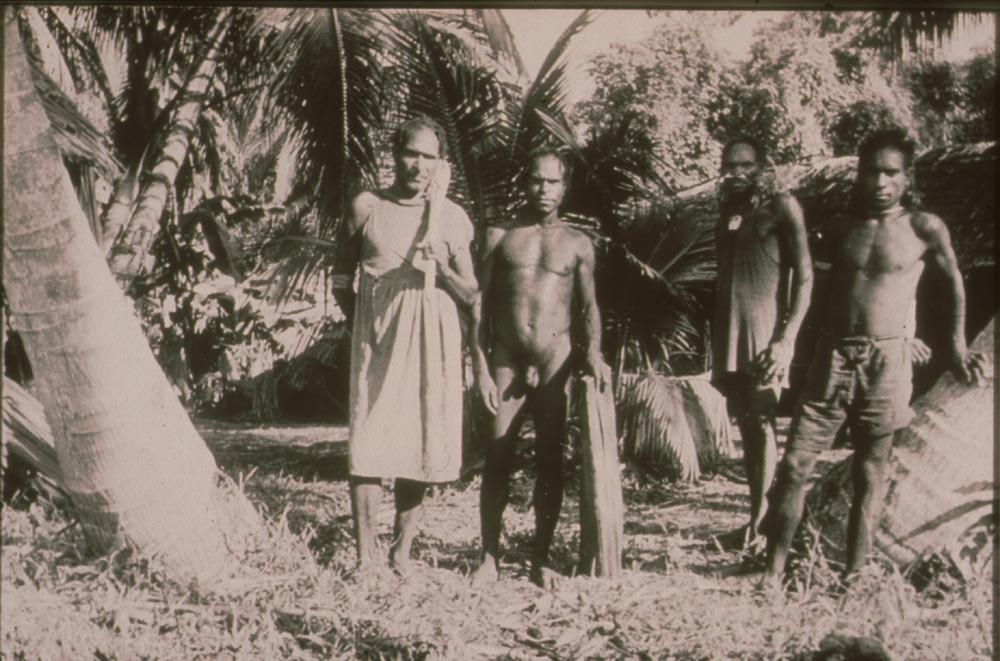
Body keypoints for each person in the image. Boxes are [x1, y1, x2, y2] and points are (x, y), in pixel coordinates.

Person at [762, 128, 987, 584]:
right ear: (859, 174)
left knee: (870, 471)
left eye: (891, 173)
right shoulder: (841, 228)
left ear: (907, 178)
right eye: (872, 171)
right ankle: (773, 570)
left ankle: (854, 573)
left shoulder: (924, 227)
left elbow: (954, 283)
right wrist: (787, 342)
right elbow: (806, 284)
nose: (880, 182)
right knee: (793, 465)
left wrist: (958, 345)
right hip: (832, 358)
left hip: (886, 364)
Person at [332, 116, 480, 575]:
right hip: (378, 339)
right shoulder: (367, 206)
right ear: (395, 154)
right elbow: (340, 276)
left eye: (428, 157)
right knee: (369, 442)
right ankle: (365, 556)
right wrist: (364, 319)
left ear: (441, 164)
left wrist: (444, 267)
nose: (418, 165)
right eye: (410, 153)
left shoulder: (451, 217)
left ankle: (401, 553)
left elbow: (472, 294)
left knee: (420, 440)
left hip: (433, 338)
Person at [470, 148, 611, 588]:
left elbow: (589, 308)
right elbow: (479, 304)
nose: (543, 189)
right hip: (507, 358)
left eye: (552, 182)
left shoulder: (578, 243)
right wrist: (478, 363)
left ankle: (540, 559)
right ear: (524, 182)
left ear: (564, 188)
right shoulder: (499, 235)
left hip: (555, 358)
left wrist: (595, 354)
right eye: (535, 180)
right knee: (497, 455)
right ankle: (488, 556)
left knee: (551, 459)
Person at [712, 136, 813, 549]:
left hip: (765, 336)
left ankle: (764, 526)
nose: (737, 172)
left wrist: (785, 340)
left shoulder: (782, 206)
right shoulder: (728, 213)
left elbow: (805, 277)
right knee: (749, 432)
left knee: (763, 423)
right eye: (730, 165)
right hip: (731, 336)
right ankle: (758, 518)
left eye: (746, 165)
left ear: (762, 167)